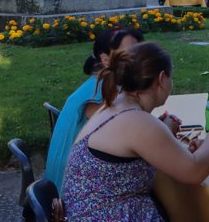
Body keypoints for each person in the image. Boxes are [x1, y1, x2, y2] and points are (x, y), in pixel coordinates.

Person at [62, 42, 209, 220]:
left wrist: (169, 139)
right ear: (161, 79)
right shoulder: (136, 120)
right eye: (171, 76)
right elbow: (195, 171)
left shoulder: (115, 105)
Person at [45, 28, 146, 194]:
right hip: (68, 195)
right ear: (105, 59)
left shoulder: (103, 84)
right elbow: (128, 140)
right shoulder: (101, 94)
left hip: (73, 185)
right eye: (128, 53)